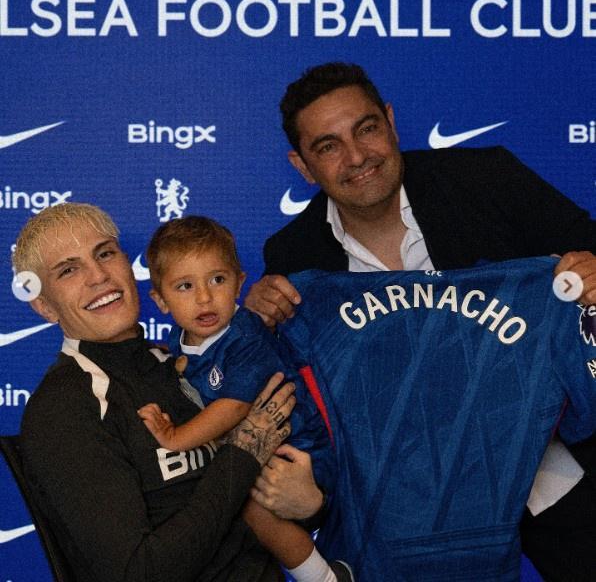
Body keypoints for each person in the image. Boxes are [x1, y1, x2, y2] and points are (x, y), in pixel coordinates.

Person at [244, 62, 596, 580]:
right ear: (303, 166)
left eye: (366, 129)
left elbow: (588, 251)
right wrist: (258, 325)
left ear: (390, 122)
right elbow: (306, 416)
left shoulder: (487, 180)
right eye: (329, 146)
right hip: (408, 505)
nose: (357, 156)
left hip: (540, 468)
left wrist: (591, 270)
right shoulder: (295, 258)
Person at [14, 202, 298, 582]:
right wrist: (243, 452)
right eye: (69, 270)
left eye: (105, 254)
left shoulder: (182, 362)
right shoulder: (63, 408)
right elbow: (139, 573)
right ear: (44, 306)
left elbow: (272, 507)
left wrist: (308, 502)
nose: (98, 276)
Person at [138, 215, 347, 582]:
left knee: (251, 509)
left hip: (301, 455)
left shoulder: (245, 338)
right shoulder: (180, 338)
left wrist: (177, 437)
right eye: (185, 286)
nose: (204, 297)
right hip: (253, 455)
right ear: (161, 300)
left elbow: (233, 407)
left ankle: (325, 578)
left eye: (217, 280)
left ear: (239, 282)